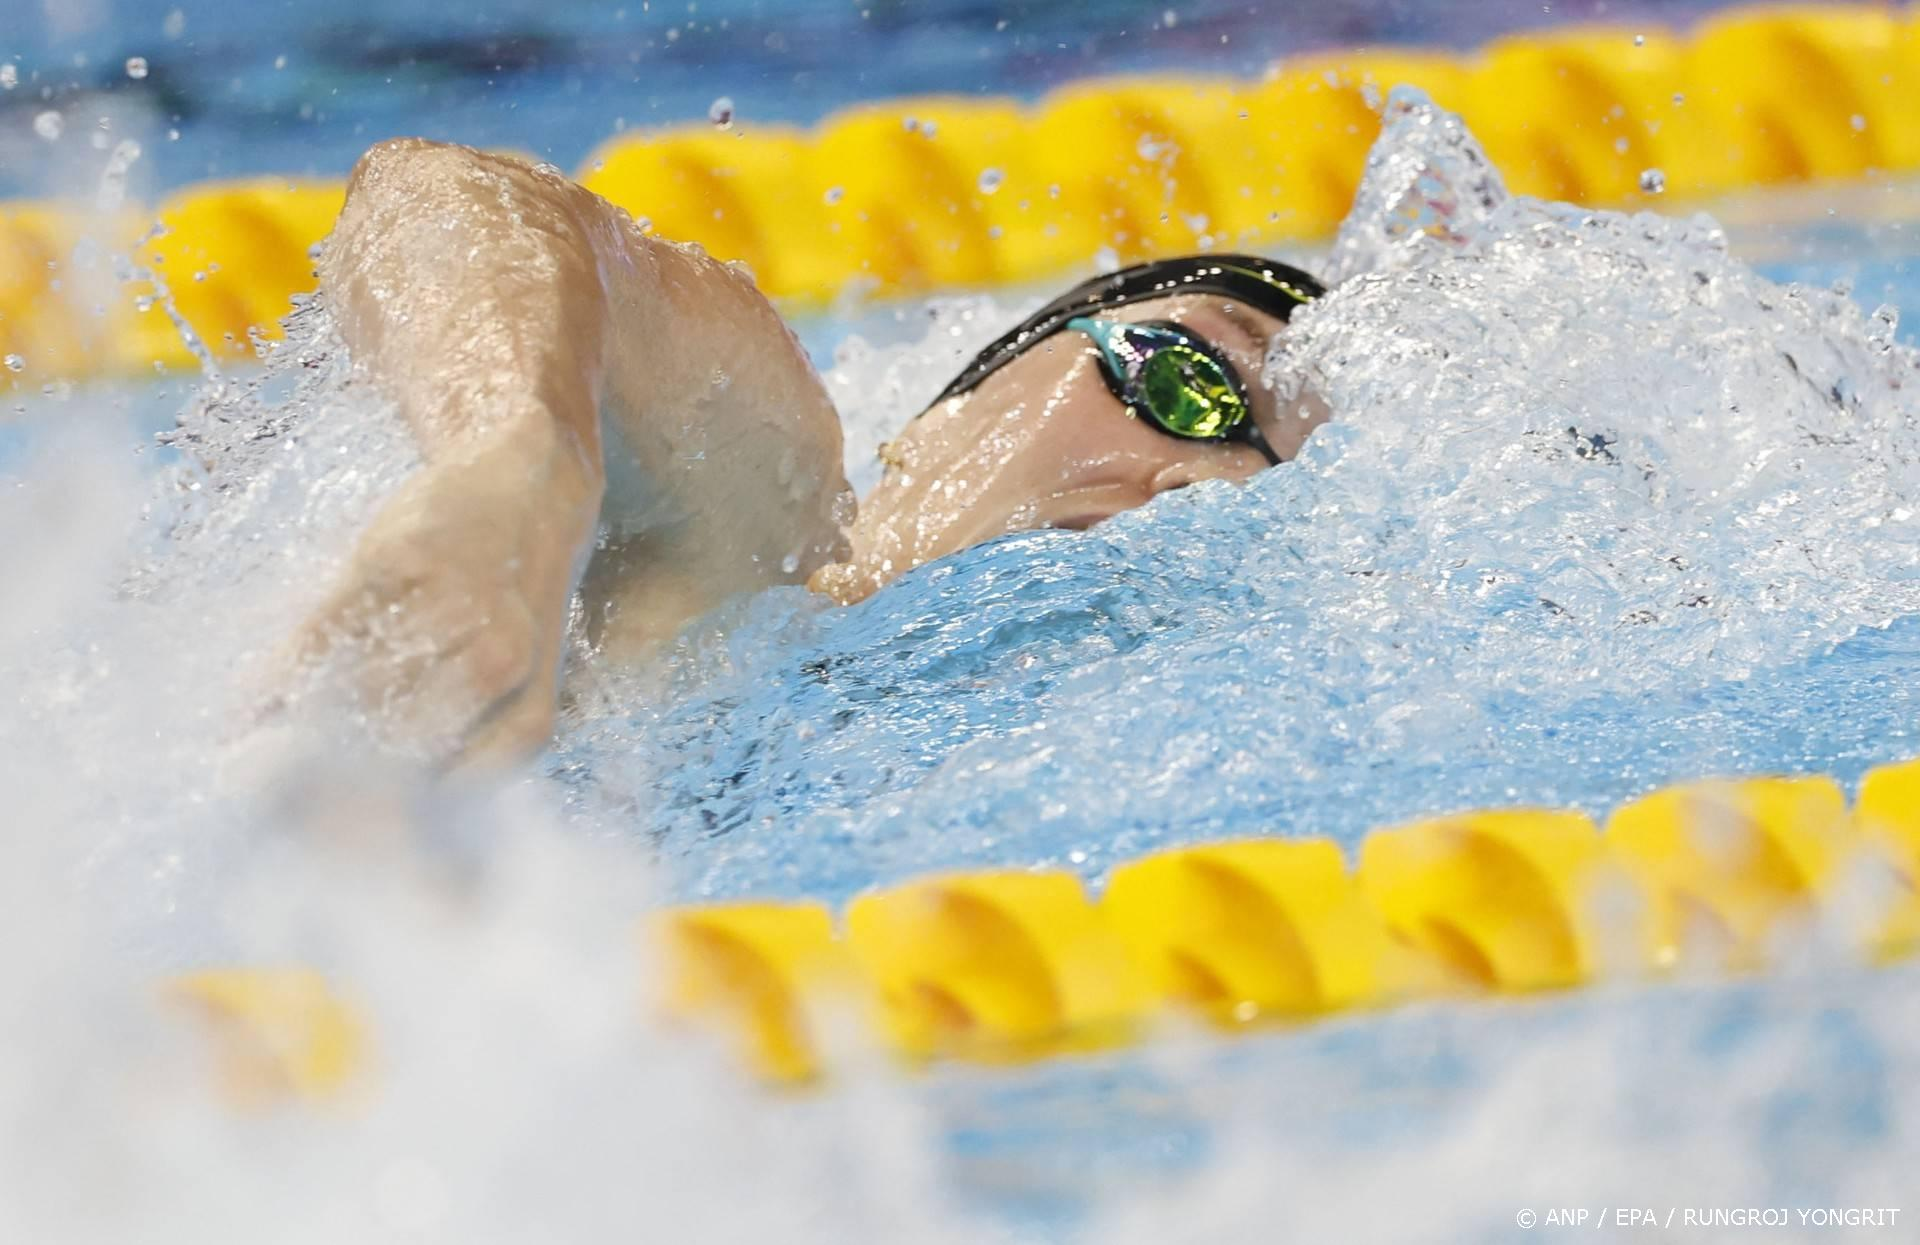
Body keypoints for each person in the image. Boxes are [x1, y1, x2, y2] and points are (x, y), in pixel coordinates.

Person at [294, 138, 1332, 766]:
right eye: (1187, 382)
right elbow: (440, 198)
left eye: (1277, 485)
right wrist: (518, 454)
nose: (1207, 477)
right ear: (940, 421)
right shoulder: (762, 529)